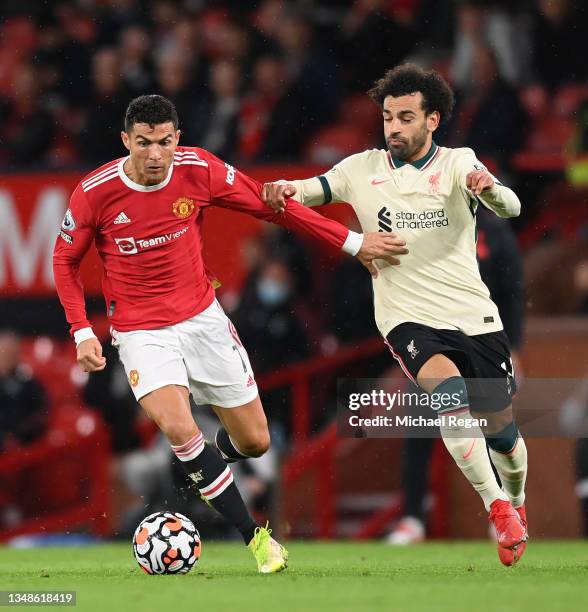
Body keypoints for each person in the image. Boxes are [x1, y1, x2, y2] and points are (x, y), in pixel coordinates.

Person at [52, 94, 406, 573]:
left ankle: (202, 466)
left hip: (204, 321)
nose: (155, 155)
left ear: (177, 139)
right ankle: (255, 538)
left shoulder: (200, 169)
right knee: (180, 426)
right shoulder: (94, 193)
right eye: (142, 144)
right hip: (140, 331)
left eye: (163, 143)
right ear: (125, 142)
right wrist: (81, 332)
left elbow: (270, 206)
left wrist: (353, 242)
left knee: (256, 441)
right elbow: (64, 260)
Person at [262, 64, 528, 566]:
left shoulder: (457, 164)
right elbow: (310, 189)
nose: (394, 128)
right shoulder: (360, 169)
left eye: (406, 117)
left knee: (506, 439)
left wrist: (487, 188)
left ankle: (515, 503)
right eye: (388, 117)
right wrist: (283, 187)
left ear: (433, 120)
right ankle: (497, 508)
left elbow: (511, 207)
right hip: (407, 319)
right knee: (449, 400)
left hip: (474, 316)